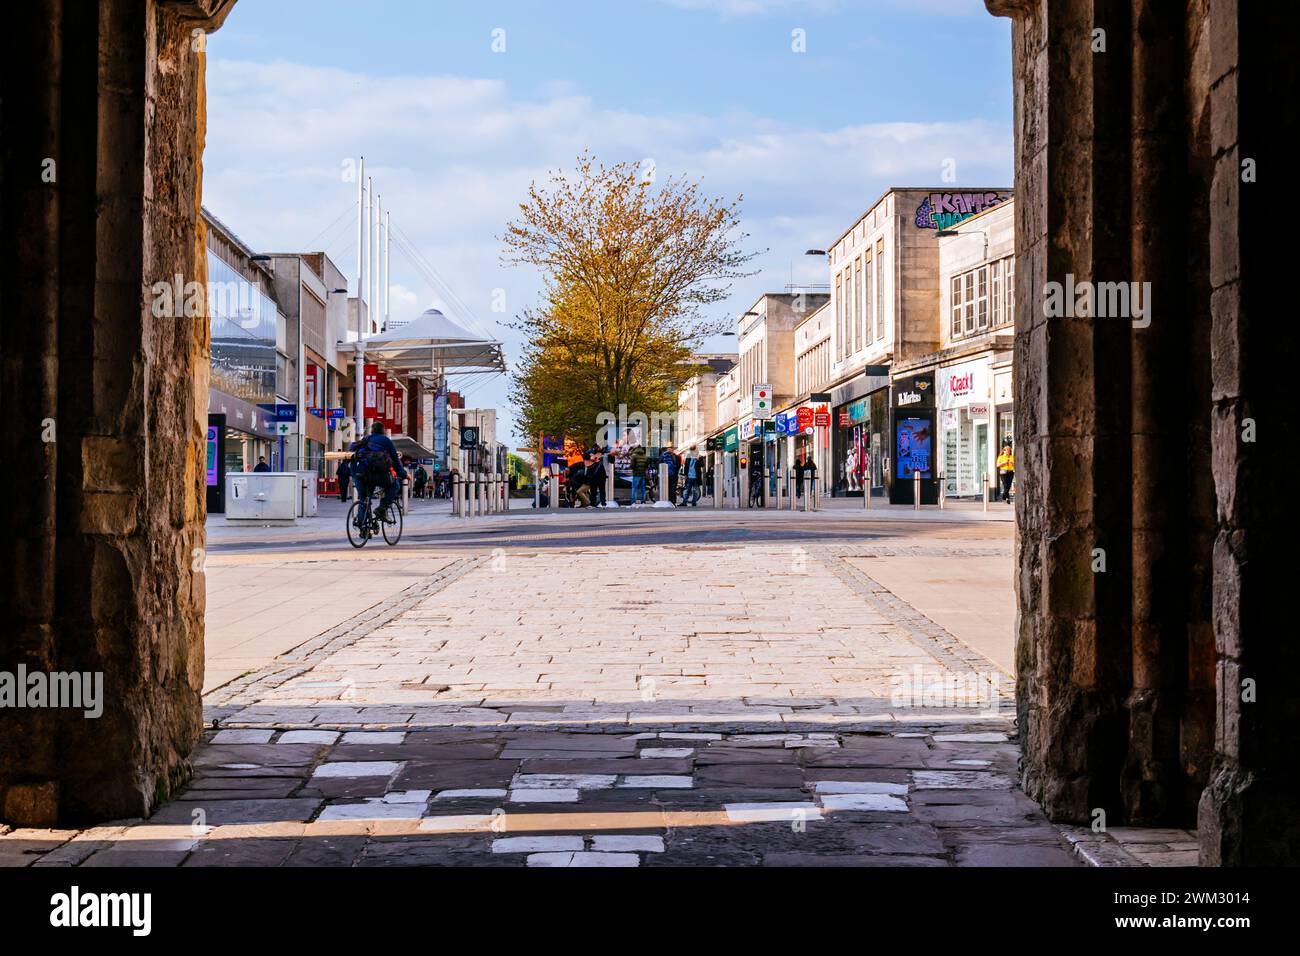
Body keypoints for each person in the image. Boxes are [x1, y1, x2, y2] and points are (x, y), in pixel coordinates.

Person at [350, 421, 406, 522]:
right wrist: (404, 474)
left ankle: (362, 524)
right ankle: (381, 508)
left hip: (360, 473)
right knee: (395, 486)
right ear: (383, 431)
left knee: (363, 498)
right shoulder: (386, 441)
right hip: (378, 475)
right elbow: (396, 460)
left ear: (372, 431)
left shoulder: (366, 439)